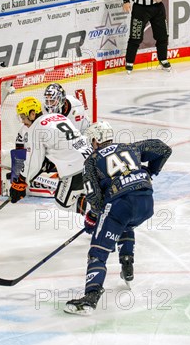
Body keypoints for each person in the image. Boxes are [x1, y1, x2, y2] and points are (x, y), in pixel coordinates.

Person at [64, 121, 172, 315]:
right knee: (125, 222)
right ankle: (127, 262)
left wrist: (92, 218)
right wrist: (150, 172)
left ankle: (91, 296)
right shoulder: (130, 147)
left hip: (121, 205)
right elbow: (163, 148)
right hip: (146, 202)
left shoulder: (91, 160)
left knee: (98, 251)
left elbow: (95, 198)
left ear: (96, 140)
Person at [9, 97, 92, 213]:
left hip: (75, 166)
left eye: (23, 117)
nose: (23, 121)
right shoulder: (60, 117)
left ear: (32, 114)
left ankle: (96, 214)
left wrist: (20, 182)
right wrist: (48, 161)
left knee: (63, 202)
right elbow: (64, 142)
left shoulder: (35, 129)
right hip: (91, 158)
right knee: (89, 193)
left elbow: (33, 162)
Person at [120, 0, 171, 74]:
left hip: (157, 9)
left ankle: (163, 59)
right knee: (135, 36)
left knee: (162, 36)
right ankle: (129, 62)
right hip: (140, 9)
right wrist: (126, 1)